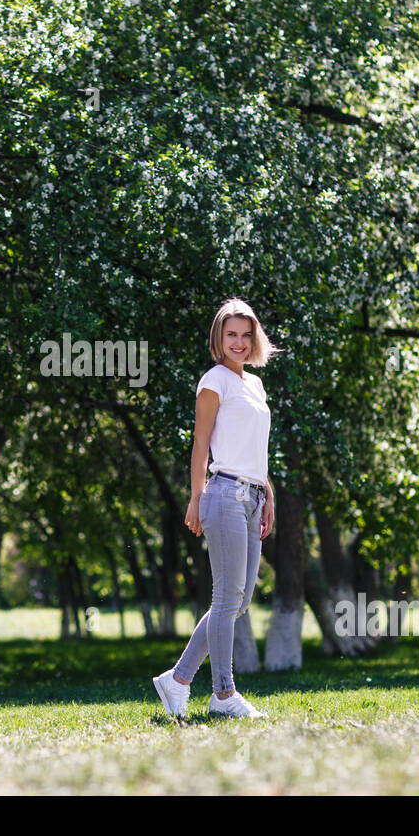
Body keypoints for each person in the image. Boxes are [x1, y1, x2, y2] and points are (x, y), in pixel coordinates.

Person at [153, 297, 281, 719]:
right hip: (223, 494)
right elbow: (201, 444)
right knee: (227, 597)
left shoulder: (255, 386)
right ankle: (224, 695)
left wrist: (269, 493)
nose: (239, 342)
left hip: (253, 495)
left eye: (246, 335)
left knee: (237, 602)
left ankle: (178, 679)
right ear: (219, 338)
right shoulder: (214, 380)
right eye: (232, 335)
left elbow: (254, 448)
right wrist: (196, 495)